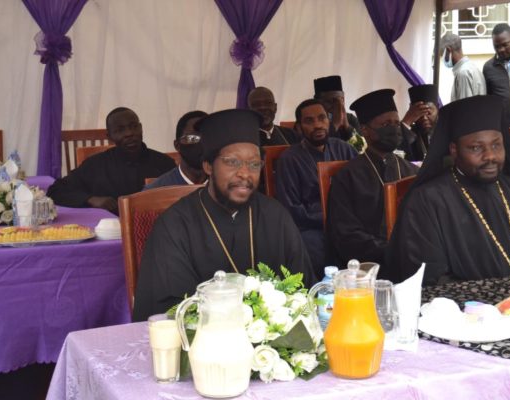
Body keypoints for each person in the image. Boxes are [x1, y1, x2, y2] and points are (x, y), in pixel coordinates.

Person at [133, 109, 315, 321]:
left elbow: (303, 292)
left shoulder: (276, 216)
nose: (244, 173)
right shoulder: (175, 225)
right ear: (208, 166)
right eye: (232, 162)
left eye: (254, 164)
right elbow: (170, 311)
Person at [386, 95, 510, 285]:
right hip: (469, 304)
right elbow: (431, 279)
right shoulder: (426, 201)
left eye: (496, 145)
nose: (490, 156)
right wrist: (501, 298)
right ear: (454, 150)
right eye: (476, 148)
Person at [327, 89, 418, 269]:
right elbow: (346, 233)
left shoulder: (412, 170)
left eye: (396, 123)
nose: (394, 129)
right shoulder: (348, 176)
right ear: (365, 131)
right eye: (386, 124)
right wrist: (389, 250)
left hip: (411, 254)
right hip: (369, 264)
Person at [275, 99, 358, 278]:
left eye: (322, 118)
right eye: (309, 121)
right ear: (299, 127)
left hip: (348, 223)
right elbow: (291, 208)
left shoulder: (344, 149)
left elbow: (361, 189)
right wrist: (329, 219)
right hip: (312, 227)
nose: (318, 125)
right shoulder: (289, 159)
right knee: (313, 246)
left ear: (329, 121)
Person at [47, 107, 176, 213]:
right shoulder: (95, 165)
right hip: (110, 230)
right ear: (109, 137)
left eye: (133, 126)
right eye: (120, 130)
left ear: (141, 128)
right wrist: (90, 199)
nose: (129, 133)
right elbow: (56, 191)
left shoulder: (164, 163)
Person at [143, 110, 208, 190]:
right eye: (192, 138)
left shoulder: (221, 185)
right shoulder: (155, 191)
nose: (201, 143)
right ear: (177, 145)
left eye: (207, 136)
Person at [313, 75, 362, 141]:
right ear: (318, 102)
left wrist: (347, 126)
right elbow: (317, 144)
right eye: (330, 101)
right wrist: (335, 125)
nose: (337, 106)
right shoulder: (313, 121)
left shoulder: (350, 119)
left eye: (341, 100)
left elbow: (361, 145)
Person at [440, 33, 486, 101]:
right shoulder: (471, 67)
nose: (443, 59)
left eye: (442, 55)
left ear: (448, 50)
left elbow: (465, 105)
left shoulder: (463, 73)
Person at [400, 84, 439, 161]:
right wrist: (407, 121)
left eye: (428, 112)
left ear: (437, 108)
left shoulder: (448, 132)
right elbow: (394, 149)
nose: (424, 118)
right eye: (419, 113)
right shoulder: (407, 135)